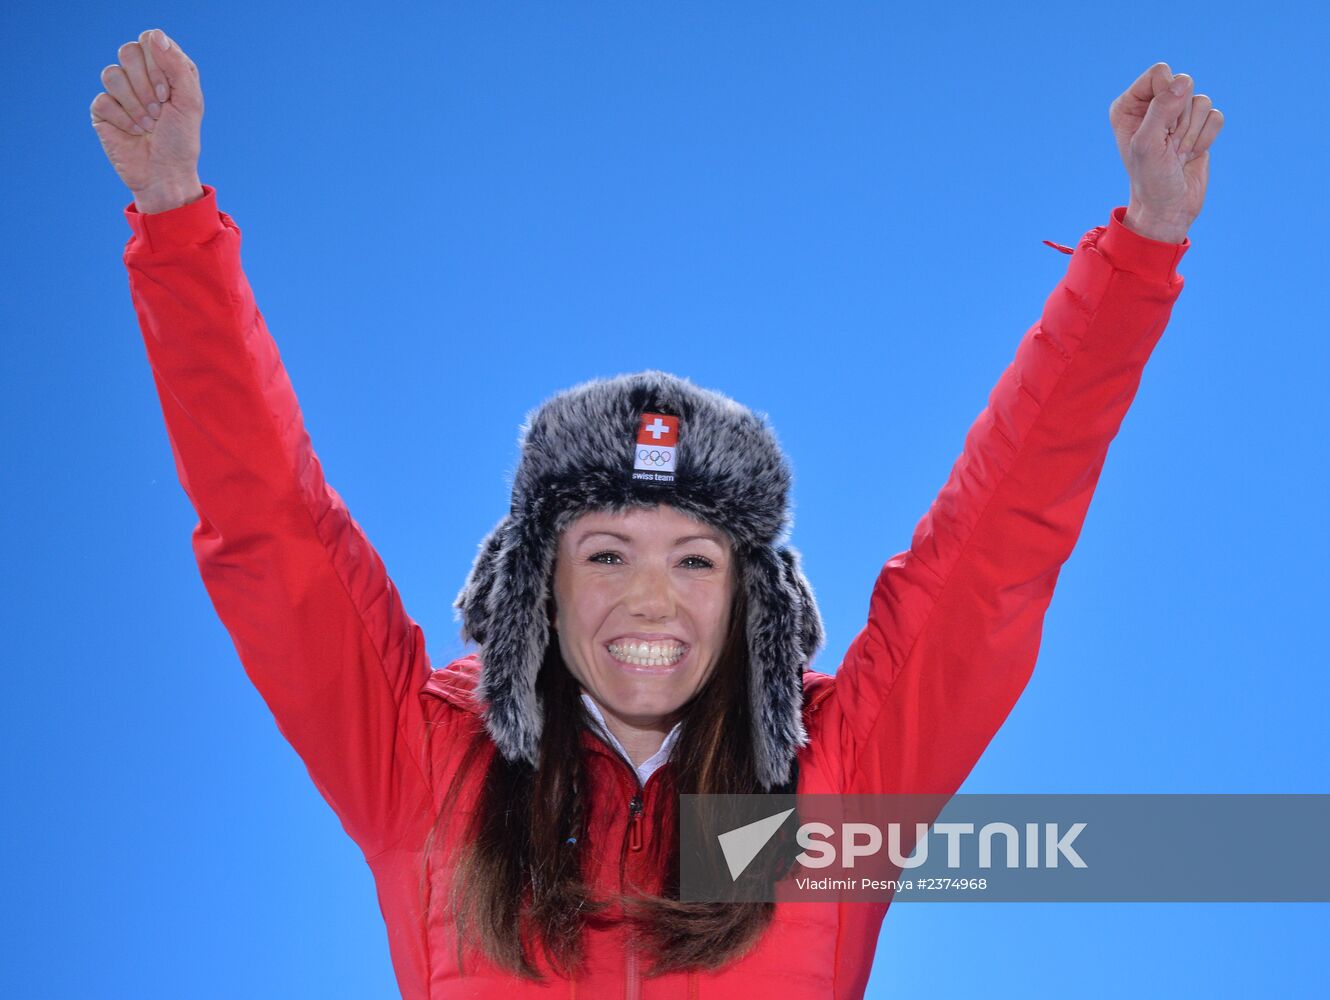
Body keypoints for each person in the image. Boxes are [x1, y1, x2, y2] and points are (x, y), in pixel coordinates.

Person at [93, 27, 1224, 1000]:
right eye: (605, 551)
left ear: (751, 597)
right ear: (539, 575)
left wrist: (1138, 253)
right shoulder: (422, 768)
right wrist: (176, 222)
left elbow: (997, 545)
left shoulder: (837, 785)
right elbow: (269, 530)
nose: (650, 598)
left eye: (694, 559)